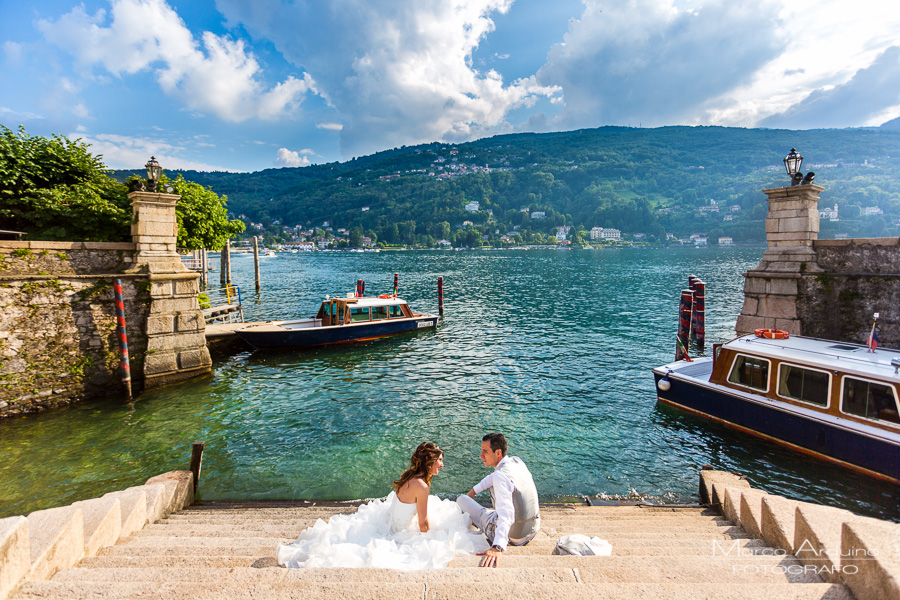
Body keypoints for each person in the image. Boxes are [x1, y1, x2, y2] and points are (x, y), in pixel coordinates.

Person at [277, 442, 488, 569]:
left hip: (391, 520)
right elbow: (423, 524)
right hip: (400, 530)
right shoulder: (422, 486)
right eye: (440, 460)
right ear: (429, 462)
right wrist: (433, 538)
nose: (442, 464)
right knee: (445, 537)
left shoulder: (409, 476)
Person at [456, 433, 541, 568]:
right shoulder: (516, 461)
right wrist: (474, 491)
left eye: (485, 451)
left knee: (462, 500)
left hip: (514, 536)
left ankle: (486, 526)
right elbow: (493, 477)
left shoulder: (500, 476)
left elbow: (506, 513)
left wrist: (497, 547)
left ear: (498, 453)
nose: (481, 455)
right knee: (483, 504)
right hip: (531, 531)